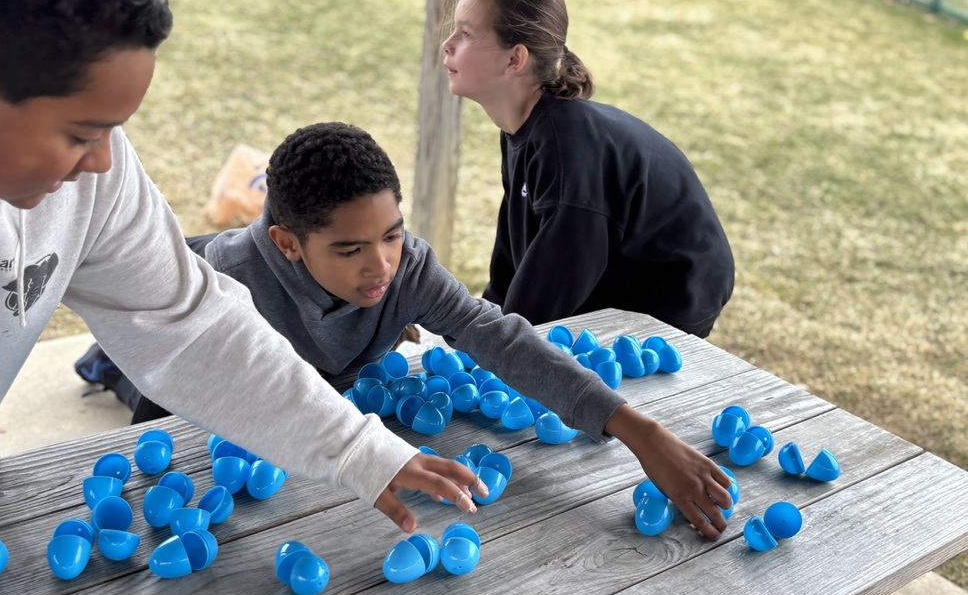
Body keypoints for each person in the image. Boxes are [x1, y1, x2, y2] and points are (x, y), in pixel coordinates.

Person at [0, 0, 482, 595]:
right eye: (81, 134)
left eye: (113, 132)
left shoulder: (92, 173)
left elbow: (193, 324)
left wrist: (358, 448)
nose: (103, 163)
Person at [95, 120, 732, 535]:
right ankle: (100, 363)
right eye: (349, 250)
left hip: (324, 406)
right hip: (214, 380)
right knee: (126, 370)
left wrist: (637, 428)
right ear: (287, 243)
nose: (381, 269)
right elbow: (172, 389)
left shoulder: (408, 271)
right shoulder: (225, 285)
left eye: (392, 235)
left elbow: (498, 337)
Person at [442, 0, 735, 338]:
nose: (447, 45)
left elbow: (545, 297)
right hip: (609, 273)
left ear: (515, 59)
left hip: (667, 295)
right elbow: (515, 258)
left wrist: (496, 344)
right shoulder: (524, 127)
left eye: (465, 34)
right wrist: (479, 329)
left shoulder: (565, 144)